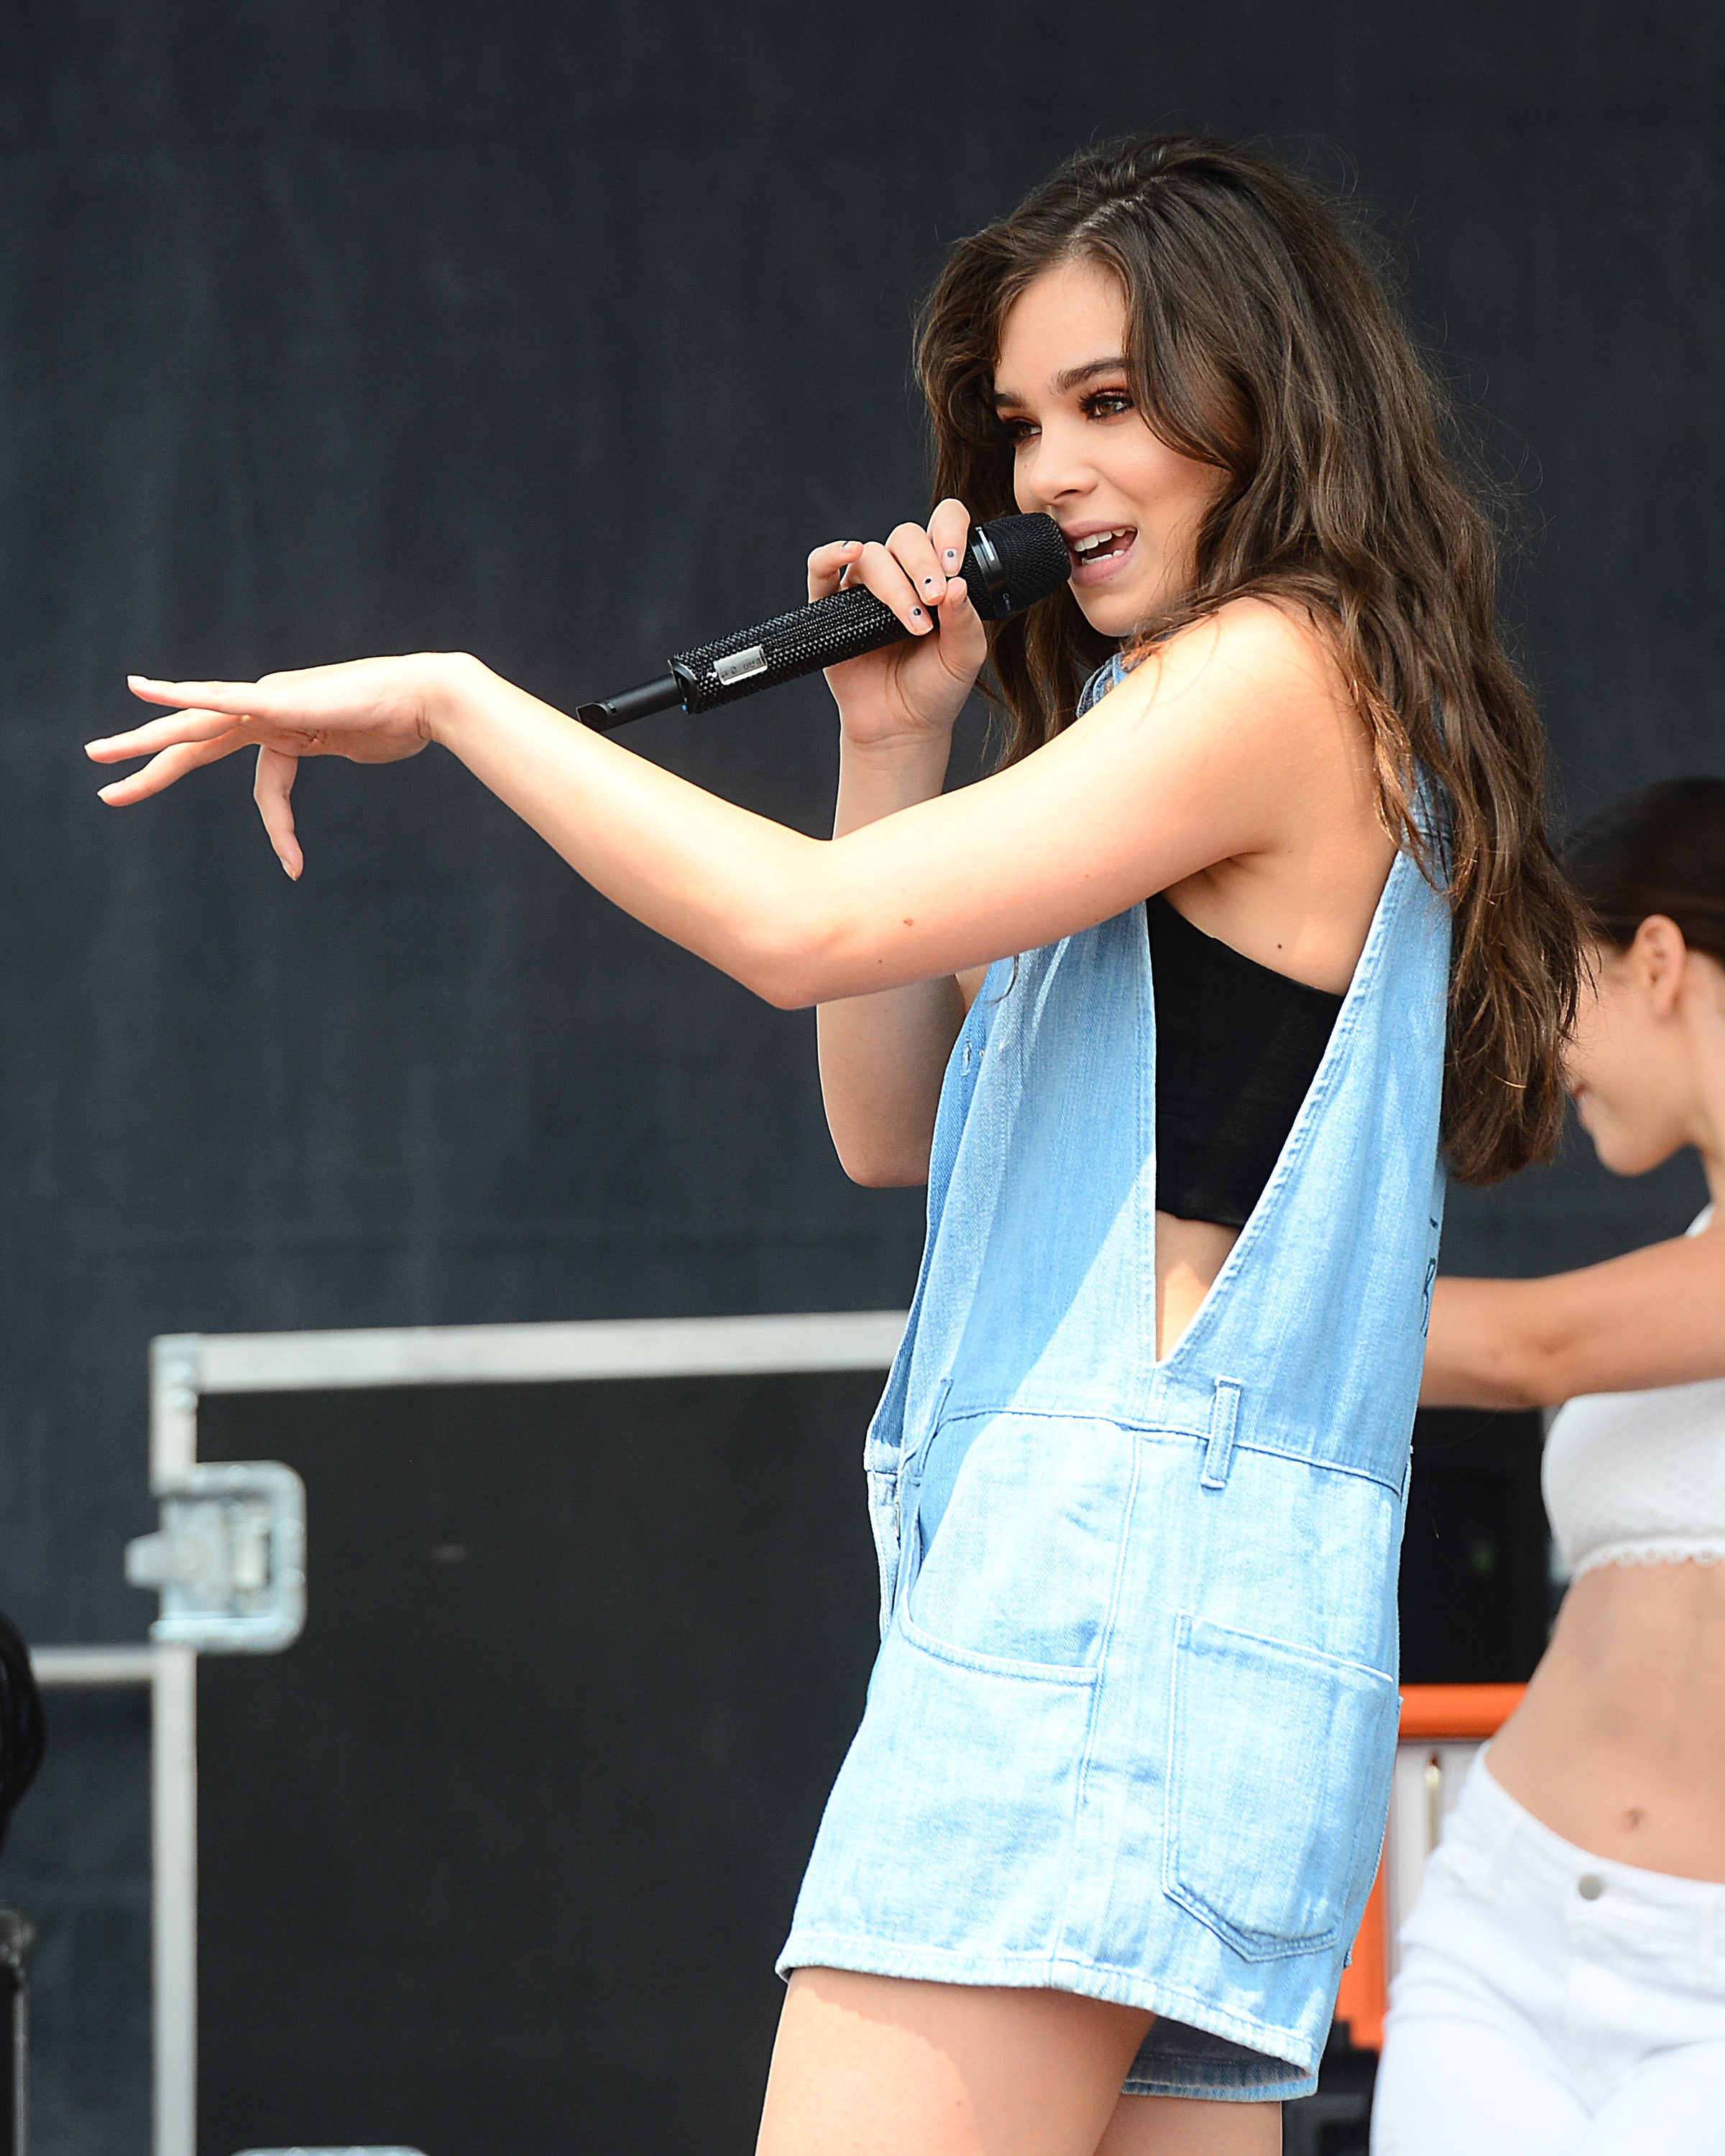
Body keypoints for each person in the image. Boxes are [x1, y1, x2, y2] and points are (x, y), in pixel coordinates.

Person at [85, 137, 1581, 2156]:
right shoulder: (1247, 707)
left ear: (1271, 396)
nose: (1050, 473)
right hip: (1217, 1650)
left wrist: (456, 699)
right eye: (1022, 423)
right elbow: (891, 1131)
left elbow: (796, 929)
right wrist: (891, 737)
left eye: (1112, 403)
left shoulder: (1264, 674)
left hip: (1100, 1611)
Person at [1374, 778, 1725, 2156]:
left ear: (1656, 960)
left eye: (1559, 987)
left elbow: (1532, 1349)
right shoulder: (1687, 1253)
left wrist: (1220, 1295)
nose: (1548, 1052)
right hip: (1502, 1920)